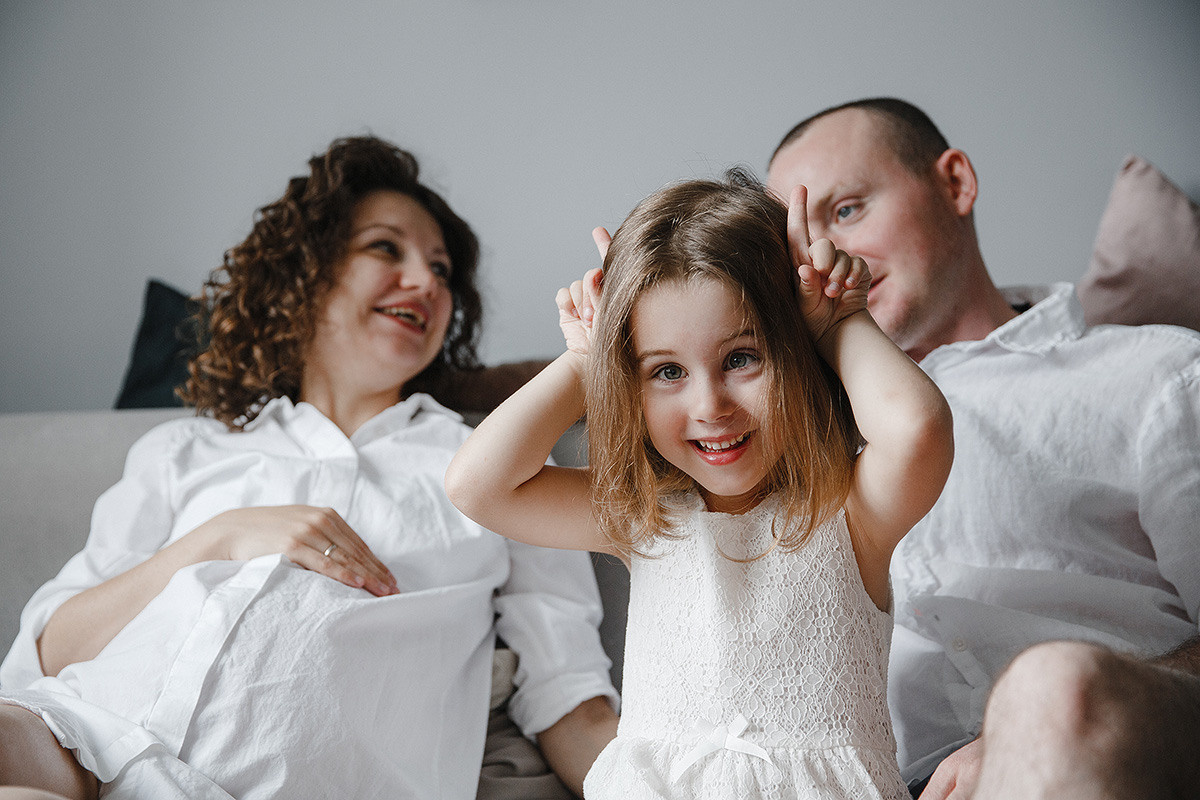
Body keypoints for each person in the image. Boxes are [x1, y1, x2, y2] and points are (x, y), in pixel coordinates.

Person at [0, 136, 618, 800]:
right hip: (79, 735)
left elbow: (570, 700)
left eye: (441, 270)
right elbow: (47, 653)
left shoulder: (498, 465)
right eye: (386, 248)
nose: (426, 282)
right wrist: (221, 536)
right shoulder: (182, 450)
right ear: (307, 272)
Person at [445, 170, 955, 798]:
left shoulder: (851, 511)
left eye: (741, 358)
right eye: (667, 371)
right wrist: (586, 358)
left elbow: (917, 428)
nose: (710, 405)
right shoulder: (646, 517)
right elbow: (478, 486)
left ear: (799, 353)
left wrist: (838, 322)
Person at [766, 97, 1200, 798]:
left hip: (1106, 745)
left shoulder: (1160, 376)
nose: (825, 257)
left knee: (1054, 686)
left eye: (846, 210)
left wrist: (1028, 733)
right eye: (798, 245)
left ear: (956, 183)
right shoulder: (786, 440)